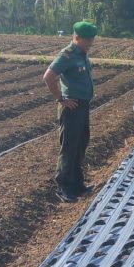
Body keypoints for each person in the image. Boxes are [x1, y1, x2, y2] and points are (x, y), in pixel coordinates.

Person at [43, 21, 97, 203]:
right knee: (69, 147)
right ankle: (63, 187)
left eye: (91, 42)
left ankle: (77, 184)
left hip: (82, 107)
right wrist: (61, 99)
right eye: (86, 42)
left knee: (81, 145)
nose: (89, 45)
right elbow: (48, 76)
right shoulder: (66, 55)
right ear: (76, 38)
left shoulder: (82, 55)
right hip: (71, 108)